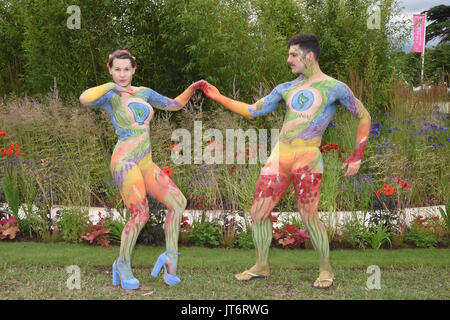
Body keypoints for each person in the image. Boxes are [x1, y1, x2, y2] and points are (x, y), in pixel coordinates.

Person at [199, 33, 371, 289]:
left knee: (308, 215)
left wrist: (357, 156)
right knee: (258, 212)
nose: (288, 59)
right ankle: (261, 265)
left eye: (293, 54)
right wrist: (218, 96)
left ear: (309, 56)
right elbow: (252, 110)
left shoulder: (334, 87)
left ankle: (326, 270)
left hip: (308, 158)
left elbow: (364, 116)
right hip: (280, 157)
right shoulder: (286, 88)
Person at [79, 49, 203, 289]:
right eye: (117, 69)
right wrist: (110, 86)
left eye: (127, 69)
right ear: (110, 69)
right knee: (141, 213)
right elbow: (84, 98)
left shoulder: (144, 93)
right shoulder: (109, 96)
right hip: (124, 161)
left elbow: (174, 104)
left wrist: (193, 88)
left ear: (134, 70)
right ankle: (122, 264)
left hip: (145, 162)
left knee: (178, 202)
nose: (122, 74)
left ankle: (170, 258)